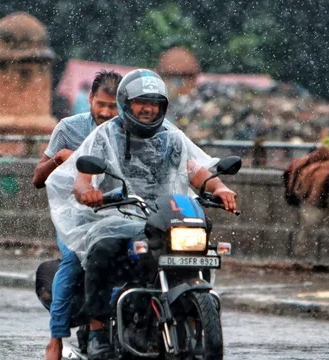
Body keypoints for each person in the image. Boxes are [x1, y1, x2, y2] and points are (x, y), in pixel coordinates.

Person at [46, 69, 237, 360]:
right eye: (141, 102)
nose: (148, 108)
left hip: (162, 215)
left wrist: (220, 188)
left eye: (155, 103)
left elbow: (195, 170)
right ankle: (97, 331)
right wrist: (88, 192)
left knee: (199, 244)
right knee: (101, 251)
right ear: (127, 102)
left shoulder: (171, 137)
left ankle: (191, 314)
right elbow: (82, 178)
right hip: (117, 214)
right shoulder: (105, 135)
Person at [33, 70, 122, 360]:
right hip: (75, 217)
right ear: (90, 100)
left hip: (119, 212)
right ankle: (57, 337)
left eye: (113, 107)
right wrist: (58, 159)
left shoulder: (129, 132)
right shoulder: (68, 128)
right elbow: (37, 179)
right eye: (102, 105)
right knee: (73, 258)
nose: (107, 113)